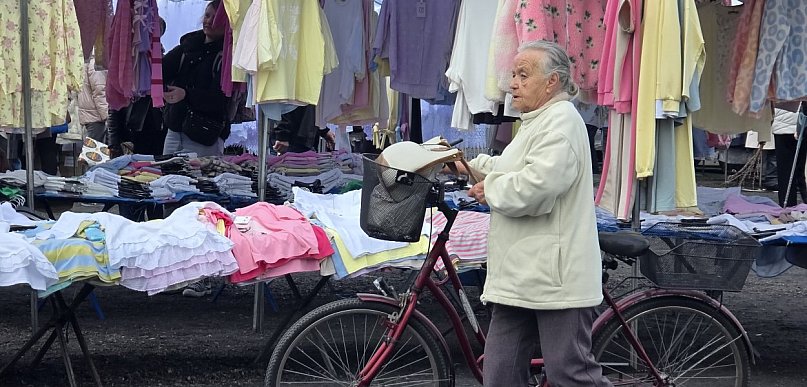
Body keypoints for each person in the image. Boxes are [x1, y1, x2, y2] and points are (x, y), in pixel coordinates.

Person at [464, 41, 611, 386]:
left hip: (556, 279)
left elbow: (538, 187)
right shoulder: (537, 121)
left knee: (570, 375)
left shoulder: (561, 121)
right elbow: (511, 168)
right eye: (514, 74)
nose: (512, 83)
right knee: (500, 374)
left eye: (523, 75)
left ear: (552, 82)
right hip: (522, 274)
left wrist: (490, 189)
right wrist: (467, 166)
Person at [162, 0, 230, 157]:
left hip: (204, 133)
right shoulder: (187, 47)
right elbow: (160, 71)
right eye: (207, 15)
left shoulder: (227, 56)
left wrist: (185, 94)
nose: (208, 21)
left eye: (215, 18)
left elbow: (220, 100)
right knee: (167, 171)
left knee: (198, 173)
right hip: (175, 128)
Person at [772, 103, 807, 207]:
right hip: (795, 121)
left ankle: (787, 206)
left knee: (785, 171)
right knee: (800, 170)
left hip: (783, 122)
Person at [78, 56, 108, 143]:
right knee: (95, 148)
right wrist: (107, 116)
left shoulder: (87, 61)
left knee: (92, 148)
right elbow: (100, 91)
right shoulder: (96, 63)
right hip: (96, 116)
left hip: (90, 114)